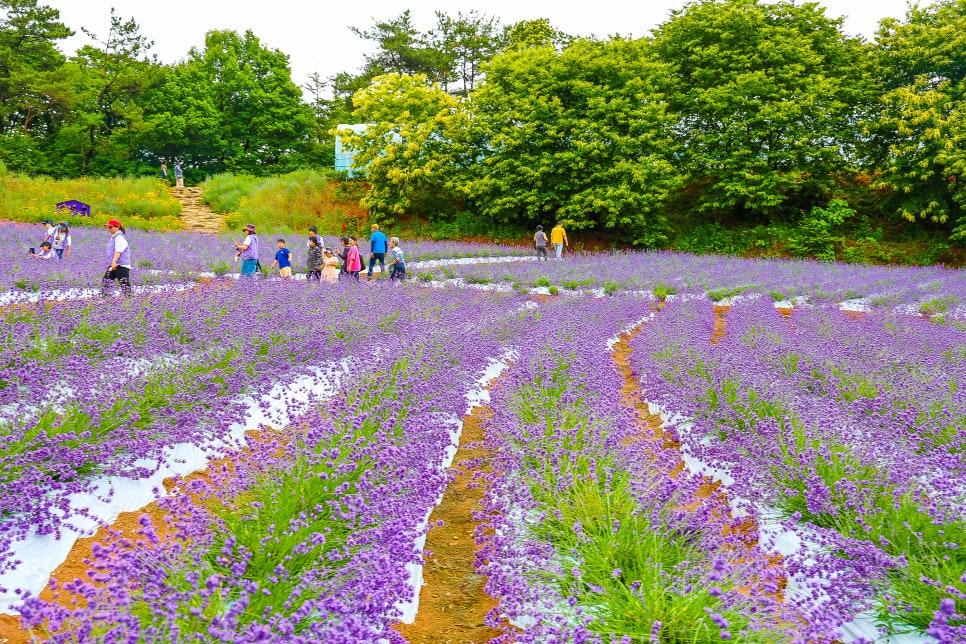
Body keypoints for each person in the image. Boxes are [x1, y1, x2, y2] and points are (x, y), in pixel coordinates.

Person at [102, 219, 132, 297]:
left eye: (110, 227)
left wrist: (114, 262)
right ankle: (106, 299)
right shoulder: (114, 237)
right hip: (114, 264)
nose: (109, 229)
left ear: (117, 227)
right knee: (106, 280)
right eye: (108, 227)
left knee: (124, 284)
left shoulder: (119, 237)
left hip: (121, 265)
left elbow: (118, 251)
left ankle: (129, 301)